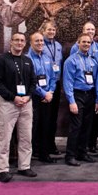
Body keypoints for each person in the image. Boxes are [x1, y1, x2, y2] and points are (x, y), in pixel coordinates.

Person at [0, 33, 38, 182]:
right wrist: (13, 97)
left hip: (26, 104)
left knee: (26, 137)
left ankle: (24, 166)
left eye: (22, 40)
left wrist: (28, 96)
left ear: (25, 43)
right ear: (11, 42)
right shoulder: (1, 60)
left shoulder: (28, 61)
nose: (19, 42)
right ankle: (3, 170)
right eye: (16, 40)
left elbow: (33, 81)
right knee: (4, 138)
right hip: (8, 103)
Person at [63, 33, 98, 166]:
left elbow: (95, 79)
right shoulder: (71, 61)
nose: (86, 44)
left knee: (87, 126)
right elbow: (67, 82)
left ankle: (82, 153)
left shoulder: (92, 60)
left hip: (90, 95)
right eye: (84, 42)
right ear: (78, 43)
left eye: (88, 42)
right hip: (77, 95)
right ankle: (70, 156)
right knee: (76, 127)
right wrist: (71, 101)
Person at [27, 32, 57, 163]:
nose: (40, 43)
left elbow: (53, 77)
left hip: (47, 97)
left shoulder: (46, 58)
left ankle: (44, 154)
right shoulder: (27, 59)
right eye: (37, 41)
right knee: (32, 127)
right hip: (34, 98)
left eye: (41, 41)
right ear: (31, 43)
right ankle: (29, 155)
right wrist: (44, 93)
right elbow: (31, 82)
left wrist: (50, 92)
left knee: (46, 126)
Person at [40, 20, 63, 155]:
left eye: (53, 30)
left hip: (56, 84)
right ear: (43, 30)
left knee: (53, 117)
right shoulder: (39, 44)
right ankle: (40, 147)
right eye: (49, 29)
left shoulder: (58, 46)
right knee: (44, 118)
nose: (51, 32)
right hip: (43, 86)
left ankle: (51, 144)